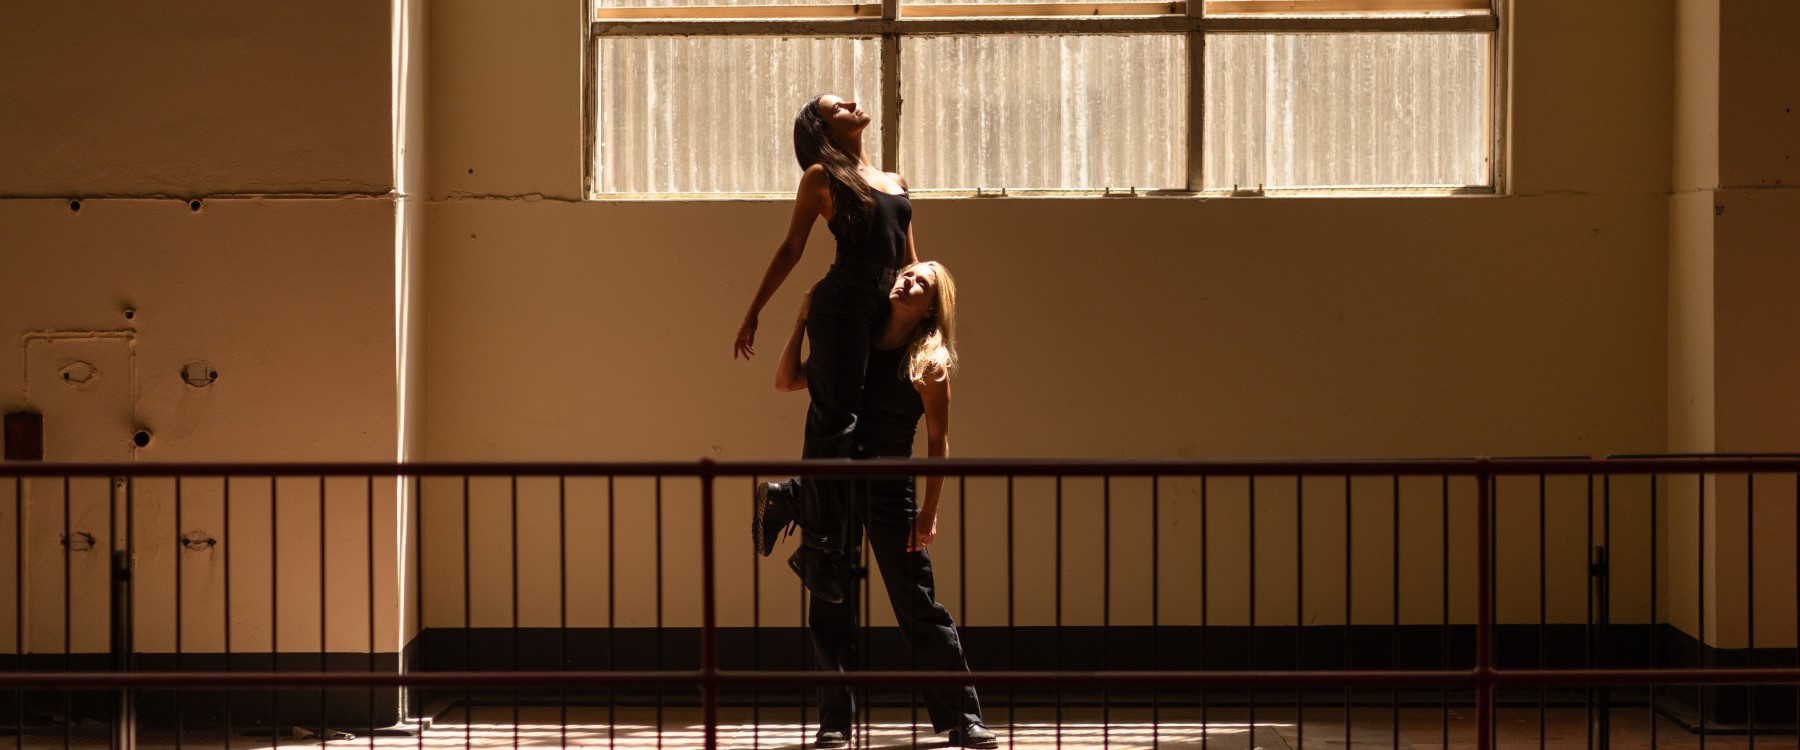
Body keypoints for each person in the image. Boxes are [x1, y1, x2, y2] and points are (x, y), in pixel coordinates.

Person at [753, 261, 1000, 750]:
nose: (906, 280)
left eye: (920, 282)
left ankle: (964, 717)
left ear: (932, 306)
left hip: (890, 486)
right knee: (830, 603)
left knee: (918, 604)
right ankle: (835, 724)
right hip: (838, 482)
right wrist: (802, 318)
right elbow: (786, 381)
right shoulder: (853, 338)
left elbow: (938, 440)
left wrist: (930, 509)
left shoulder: (927, 360)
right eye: (905, 273)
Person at [735, 94, 919, 604]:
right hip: (841, 305)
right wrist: (754, 311)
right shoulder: (821, 176)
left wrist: (926, 318)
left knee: (859, 426)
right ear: (823, 127)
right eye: (838, 106)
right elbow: (792, 247)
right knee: (835, 422)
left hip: (882, 306)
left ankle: (789, 496)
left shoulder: (896, 181)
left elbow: (910, 262)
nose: (853, 103)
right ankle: (820, 551)